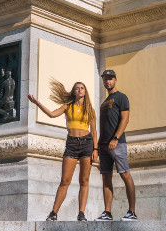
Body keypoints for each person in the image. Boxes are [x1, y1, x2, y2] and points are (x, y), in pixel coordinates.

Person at [28, 79, 98, 221]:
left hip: (87, 143)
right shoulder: (68, 107)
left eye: (82, 88)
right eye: (77, 88)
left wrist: (95, 149)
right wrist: (37, 103)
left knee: (84, 180)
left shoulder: (90, 108)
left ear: (85, 92)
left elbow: (94, 131)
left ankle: (81, 213)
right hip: (72, 144)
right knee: (65, 180)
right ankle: (54, 213)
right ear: (73, 91)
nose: (80, 90)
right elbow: (52, 115)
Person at [95, 69, 137, 221]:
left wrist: (116, 138)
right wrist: (99, 144)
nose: (108, 81)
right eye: (105, 79)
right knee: (106, 177)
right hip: (104, 145)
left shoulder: (121, 97)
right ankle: (107, 212)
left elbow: (125, 119)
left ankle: (132, 212)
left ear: (115, 80)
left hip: (117, 143)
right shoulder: (104, 102)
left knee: (125, 174)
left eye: (110, 78)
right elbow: (103, 124)